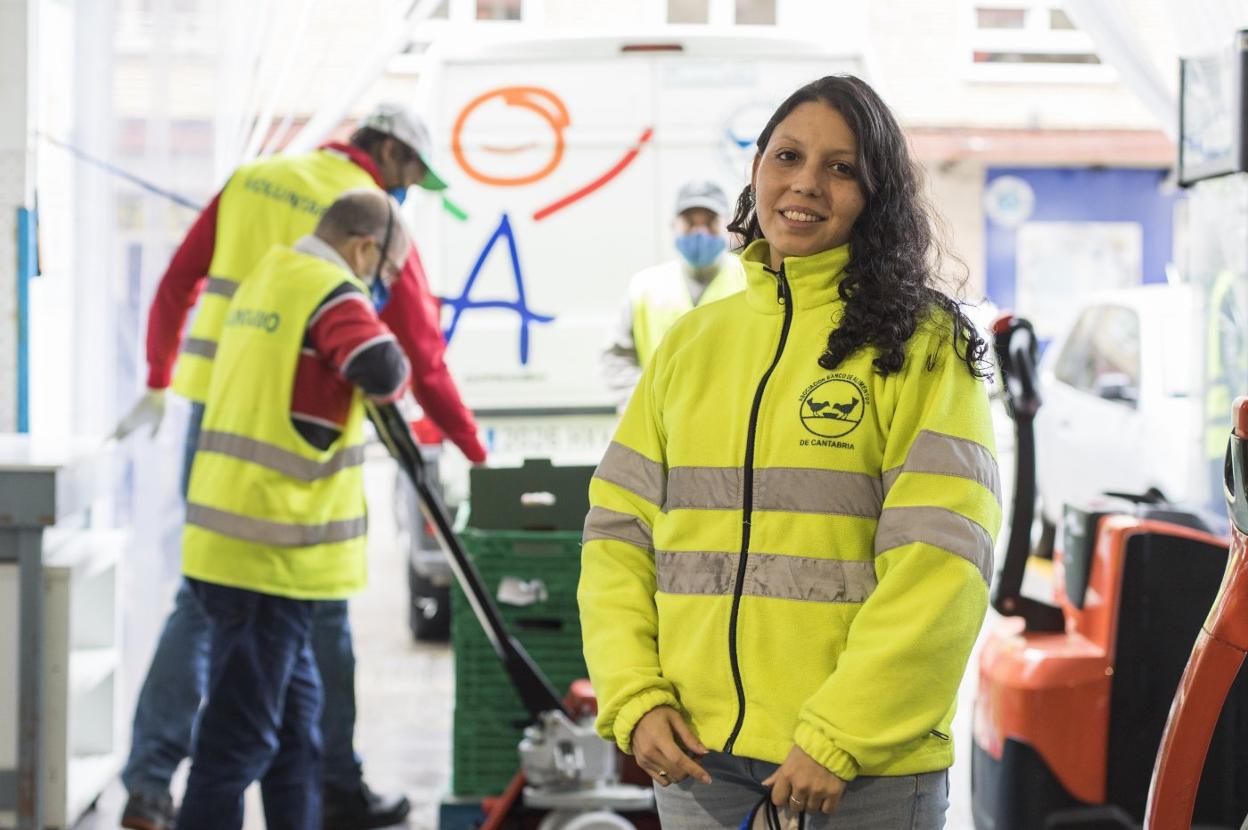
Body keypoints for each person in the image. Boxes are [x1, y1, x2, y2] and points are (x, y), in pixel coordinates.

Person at [578, 75, 1000, 829]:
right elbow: (618, 535)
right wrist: (635, 696)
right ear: (756, 170)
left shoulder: (922, 347)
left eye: (841, 168)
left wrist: (841, 735)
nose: (806, 183)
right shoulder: (694, 343)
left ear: (877, 196)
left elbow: (941, 567)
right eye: (788, 156)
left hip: (859, 771)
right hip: (698, 759)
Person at [113, 103, 485, 830]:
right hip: (284, 481)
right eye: (410, 174)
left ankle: (150, 782)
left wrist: (159, 378)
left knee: (212, 611)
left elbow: (174, 283)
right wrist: (474, 450)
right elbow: (412, 358)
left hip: (220, 413)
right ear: (386, 155)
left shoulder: (254, 183)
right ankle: (337, 787)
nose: (408, 192)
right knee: (288, 630)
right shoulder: (366, 226)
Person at [176, 189, 410, 830]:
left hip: (237, 545)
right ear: (365, 248)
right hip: (265, 558)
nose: (381, 288)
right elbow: (381, 367)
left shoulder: (267, 278)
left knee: (298, 740)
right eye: (386, 274)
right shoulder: (331, 290)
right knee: (236, 745)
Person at [600, 180, 745, 406]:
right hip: (662, 427)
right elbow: (617, 357)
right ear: (673, 225)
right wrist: (641, 405)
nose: (700, 232)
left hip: (732, 422)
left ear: (727, 225)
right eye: (690, 223)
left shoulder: (750, 280)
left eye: (710, 223)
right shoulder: (645, 287)